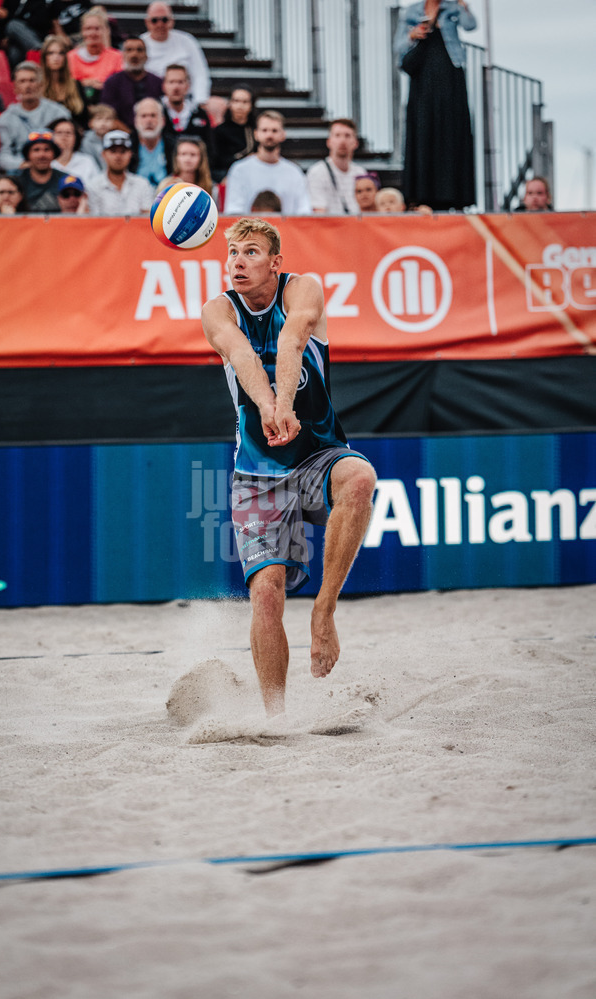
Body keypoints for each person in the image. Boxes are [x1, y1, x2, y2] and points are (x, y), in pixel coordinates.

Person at [201, 217, 376, 717]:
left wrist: (286, 405)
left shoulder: (303, 290)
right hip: (257, 471)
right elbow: (239, 354)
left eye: (251, 252)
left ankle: (324, 611)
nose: (237, 260)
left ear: (276, 262)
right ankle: (276, 716)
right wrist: (271, 407)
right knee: (267, 596)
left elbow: (294, 339)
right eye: (232, 251)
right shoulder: (218, 309)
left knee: (360, 478)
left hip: (317, 453)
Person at [394, 0, 476, 211]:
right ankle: (421, 193)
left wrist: (463, 5)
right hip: (423, 80)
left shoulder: (452, 7)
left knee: (451, 132)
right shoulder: (411, 11)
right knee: (424, 130)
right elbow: (398, 46)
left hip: (449, 78)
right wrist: (413, 34)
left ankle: (455, 192)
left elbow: (470, 25)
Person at [223, 110, 312, 216]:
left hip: (288, 230)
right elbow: (234, 212)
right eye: (264, 130)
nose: (269, 135)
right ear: (256, 134)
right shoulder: (239, 170)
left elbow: (303, 212)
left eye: (274, 131)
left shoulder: (294, 172)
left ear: (283, 134)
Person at [0, 60, 69, 171]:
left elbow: (68, 146)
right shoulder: (6, 119)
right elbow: (3, 155)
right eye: (22, 81)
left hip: (55, 167)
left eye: (32, 80)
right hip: (22, 170)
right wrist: (25, 165)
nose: (28, 86)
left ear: (40, 85)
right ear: (15, 87)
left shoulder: (59, 113)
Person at [141, 1, 209, 107]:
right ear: (147, 22)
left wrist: (200, 101)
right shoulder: (140, 44)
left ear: (172, 21)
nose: (160, 24)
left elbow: (200, 74)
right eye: (154, 20)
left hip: (185, 100)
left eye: (164, 20)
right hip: (151, 101)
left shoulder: (187, 41)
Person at [100, 35, 162, 131]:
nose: (134, 55)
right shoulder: (112, 82)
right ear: (123, 55)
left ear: (146, 56)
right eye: (129, 50)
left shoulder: (158, 82)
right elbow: (108, 114)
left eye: (139, 50)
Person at [87, 127, 153, 214]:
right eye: (113, 151)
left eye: (123, 151)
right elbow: (93, 222)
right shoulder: (93, 186)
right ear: (103, 154)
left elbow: (147, 217)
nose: (118, 156)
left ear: (130, 154)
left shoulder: (142, 184)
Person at [306, 118, 365, 214]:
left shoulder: (360, 172)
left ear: (356, 143)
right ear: (329, 142)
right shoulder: (317, 172)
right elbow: (319, 213)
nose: (342, 140)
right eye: (337, 135)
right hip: (330, 226)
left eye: (347, 136)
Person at [66, 6, 122, 105]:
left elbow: (120, 86)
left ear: (105, 30)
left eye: (97, 28)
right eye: (88, 28)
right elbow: (66, 85)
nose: (92, 33)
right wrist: (88, 83)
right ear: (82, 31)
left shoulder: (117, 57)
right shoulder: (70, 57)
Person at [161, 63, 212, 162]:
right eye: (171, 82)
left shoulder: (200, 114)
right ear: (164, 86)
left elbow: (210, 148)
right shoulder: (155, 113)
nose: (176, 87)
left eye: (180, 82)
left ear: (188, 86)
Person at [40, 34, 87, 129]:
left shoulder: (76, 85)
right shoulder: (38, 86)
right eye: (51, 53)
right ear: (45, 57)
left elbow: (85, 119)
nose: (56, 57)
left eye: (61, 53)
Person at [3, 0, 66, 69]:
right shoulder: (13, 2)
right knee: (13, 26)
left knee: (15, 50)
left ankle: (39, 49)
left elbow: (43, 22)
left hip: (37, 35)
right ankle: (39, 49)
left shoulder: (42, 3)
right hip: (20, 36)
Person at [213, 83, 256, 183]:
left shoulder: (257, 129)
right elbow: (214, 163)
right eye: (236, 101)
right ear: (230, 103)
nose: (240, 106)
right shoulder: (219, 131)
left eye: (245, 102)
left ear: (251, 105)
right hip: (227, 178)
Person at [13, 127, 63, 210]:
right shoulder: (16, 182)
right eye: (36, 150)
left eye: (47, 149)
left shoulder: (64, 180)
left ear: (54, 154)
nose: (41, 155)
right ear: (28, 155)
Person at [48, 115, 97, 186]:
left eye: (68, 133)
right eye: (59, 133)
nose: (64, 137)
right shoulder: (45, 162)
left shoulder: (87, 161)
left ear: (76, 137)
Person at [132, 95, 168, 188]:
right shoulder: (128, 146)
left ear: (163, 120)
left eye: (153, 115)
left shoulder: (173, 146)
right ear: (136, 121)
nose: (149, 120)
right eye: (144, 116)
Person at [79, 100, 115, 169]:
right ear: (90, 123)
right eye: (99, 119)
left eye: (108, 119)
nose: (103, 123)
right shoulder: (85, 140)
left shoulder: (116, 138)